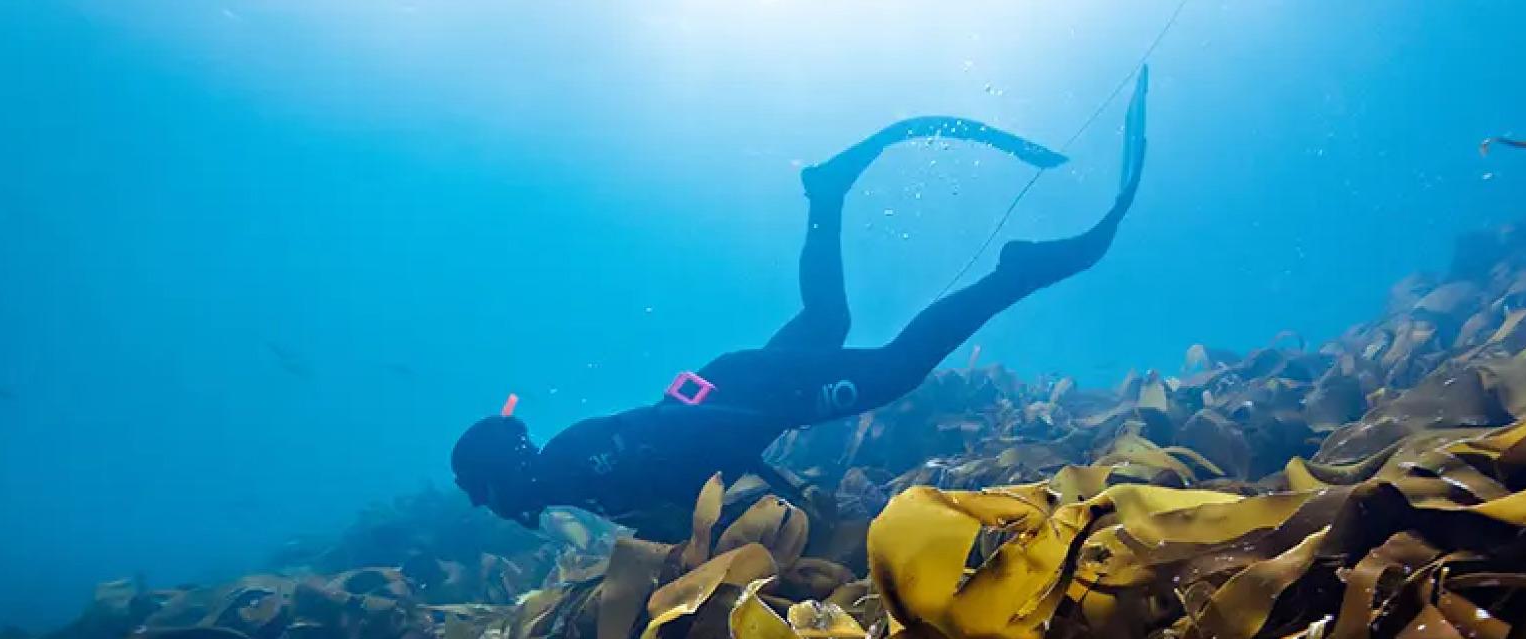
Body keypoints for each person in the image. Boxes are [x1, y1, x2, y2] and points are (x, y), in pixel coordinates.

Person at [452, 68, 1149, 534]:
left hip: (745, 396)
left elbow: (689, 436)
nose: (504, 512)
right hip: (726, 384)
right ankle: (827, 193)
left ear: (503, 476)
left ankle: (1018, 270)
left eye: (490, 496)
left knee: (899, 366)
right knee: (827, 321)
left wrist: (785, 477)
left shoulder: (571, 468)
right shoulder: (567, 477)